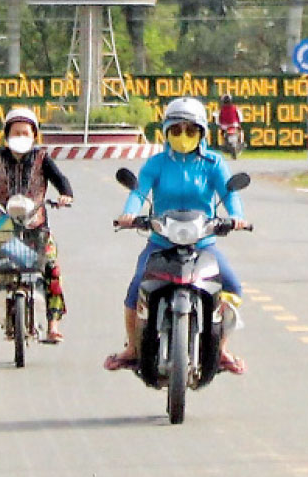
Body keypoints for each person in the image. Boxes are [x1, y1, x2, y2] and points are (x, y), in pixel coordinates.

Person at [105, 96, 249, 375]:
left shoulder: (214, 163)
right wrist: (129, 214)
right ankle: (134, 349)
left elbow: (230, 194)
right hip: (161, 241)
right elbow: (138, 192)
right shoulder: (156, 163)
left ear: (202, 133)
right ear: (166, 132)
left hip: (203, 242)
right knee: (136, 287)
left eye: (190, 130)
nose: (183, 136)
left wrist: (236, 217)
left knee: (232, 286)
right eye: (176, 130)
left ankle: (220, 348)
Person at [0, 107, 74, 342]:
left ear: (34, 135)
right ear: (6, 135)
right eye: (16, 132)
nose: (21, 137)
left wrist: (66, 194)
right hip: (5, 222)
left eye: (26, 132)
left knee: (51, 267)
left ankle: (53, 324)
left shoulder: (42, 158)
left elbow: (60, 180)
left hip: (36, 223)